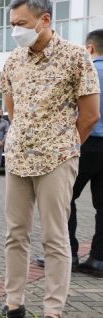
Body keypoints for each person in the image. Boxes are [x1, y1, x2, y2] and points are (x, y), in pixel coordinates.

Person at [0, 0, 100, 318]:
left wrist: (66, 147)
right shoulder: (13, 59)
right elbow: (12, 107)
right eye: (12, 24)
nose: (16, 30)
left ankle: (52, 310)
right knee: (15, 234)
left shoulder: (75, 56)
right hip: (18, 158)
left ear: (45, 20)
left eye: (22, 23)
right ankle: (14, 304)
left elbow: (90, 114)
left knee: (55, 237)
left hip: (57, 159)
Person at [69, 29, 103, 278]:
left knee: (63, 200)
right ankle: (98, 259)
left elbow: (82, 114)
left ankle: (65, 254)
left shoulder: (86, 72)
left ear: (89, 48)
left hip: (86, 142)